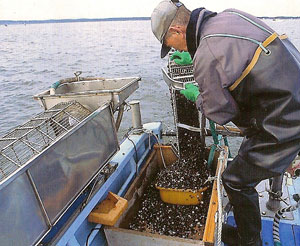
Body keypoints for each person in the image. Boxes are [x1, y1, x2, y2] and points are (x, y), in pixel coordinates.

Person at [151, 1, 300, 245]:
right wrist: (192, 57)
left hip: (286, 119)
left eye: (170, 45)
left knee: (235, 180)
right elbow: (230, 55)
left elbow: (220, 111)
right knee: (245, 161)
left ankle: (249, 241)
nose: (172, 50)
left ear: (176, 31)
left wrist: (196, 96)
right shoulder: (228, 17)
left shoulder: (206, 53)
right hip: (291, 89)